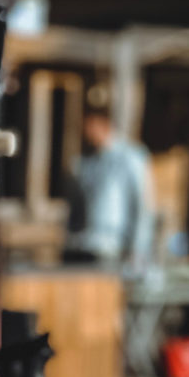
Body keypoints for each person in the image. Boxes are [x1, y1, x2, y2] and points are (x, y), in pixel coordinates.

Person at [65, 102, 155, 269]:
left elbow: (142, 206)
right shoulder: (86, 162)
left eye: (91, 125)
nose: (87, 132)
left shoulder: (131, 158)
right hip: (85, 246)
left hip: (115, 248)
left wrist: (138, 250)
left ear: (104, 124)